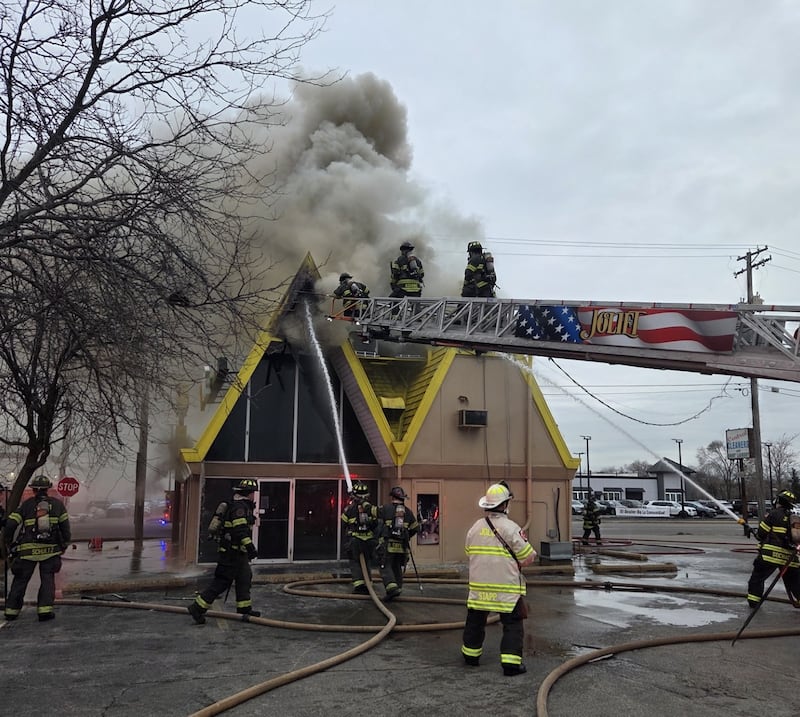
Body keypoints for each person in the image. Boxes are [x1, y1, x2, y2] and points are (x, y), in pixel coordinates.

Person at [461, 481, 536, 677]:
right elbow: (528, 557)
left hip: (479, 588)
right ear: (504, 504)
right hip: (506, 589)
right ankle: (511, 664)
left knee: (475, 622)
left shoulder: (475, 527)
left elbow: (468, 551)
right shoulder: (511, 528)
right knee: (512, 624)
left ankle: (470, 656)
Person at [189, 479, 260, 624]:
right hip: (230, 554)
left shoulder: (240, 505)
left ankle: (244, 609)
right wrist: (250, 547)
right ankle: (197, 608)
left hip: (238, 554)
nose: (254, 496)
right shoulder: (240, 508)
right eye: (253, 493)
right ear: (249, 493)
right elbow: (240, 530)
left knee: (244, 578)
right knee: (221, 582)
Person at [3, 474, 71, 621]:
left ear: (34, 490)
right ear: (47, 489)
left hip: (27, 551)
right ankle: (45, 611)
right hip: (50, 550)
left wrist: (8, 542)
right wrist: (65, 543)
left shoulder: (26, 505)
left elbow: (11, 524)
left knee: (20, 580)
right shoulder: (58, 505)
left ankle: (11, 611)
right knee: (47, 580)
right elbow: (65, 528)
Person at [746, 489, 800, 609]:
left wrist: (754, 531)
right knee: (795, 583)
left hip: (769, 556)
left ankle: (754, 603)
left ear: (778, 501)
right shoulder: (794, 517)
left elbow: (761, 534)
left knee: (757, 579)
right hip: (790, 558)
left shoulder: (773, 514)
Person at [376, 486, 420, 601]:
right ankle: (398, 588)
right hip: (402, 546)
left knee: (385, 565)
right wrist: (406, 536)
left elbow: (373, 512)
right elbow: (416, 528)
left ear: (392, 497)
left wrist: (363, 503)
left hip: (388, 545)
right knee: (396, 567)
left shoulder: (386, 508)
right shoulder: (408, 512)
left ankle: (391, 588)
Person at [340, 481, 379, 594]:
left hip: (355, 541)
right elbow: (376, 524)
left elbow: (343, 524)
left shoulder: (349, 509)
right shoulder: (370, 509)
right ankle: (368, 583)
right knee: (367, 562)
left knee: (355, 562)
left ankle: (359, 585)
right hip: (369, 541)